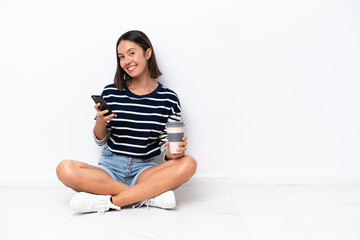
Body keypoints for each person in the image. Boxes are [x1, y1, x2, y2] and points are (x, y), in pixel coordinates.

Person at [56, 30, 197, 214]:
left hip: (144, 170)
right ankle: (147, 197)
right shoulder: (111, 92)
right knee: (64, 169)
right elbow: (100, 140)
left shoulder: (168, 99)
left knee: (189, 163)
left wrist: (173, 153)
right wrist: (100, 120)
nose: (127, 61)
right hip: (109, 169)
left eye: (132, 53)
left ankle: (110, 201)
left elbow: (167, 150)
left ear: (148, 53)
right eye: (121, 56)